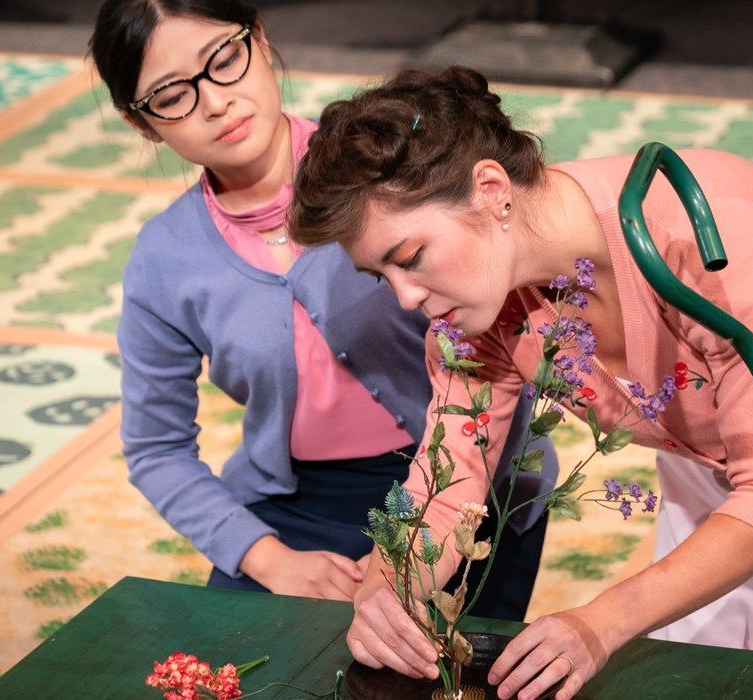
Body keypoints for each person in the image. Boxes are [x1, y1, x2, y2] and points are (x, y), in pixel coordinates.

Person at [289, 66, 753, 698]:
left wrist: (602, 621)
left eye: (411, 256)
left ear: (492, 191)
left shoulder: (706, 236)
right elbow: (450, 487)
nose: (406, 297)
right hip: (722, 481)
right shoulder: (470, 315)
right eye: (381, 275)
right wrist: (388, 585)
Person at [88, 3, 554, 618]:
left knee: (425, 664)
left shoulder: (391, 172)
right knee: (234, 664)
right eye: (172, 95)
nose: (215, 102)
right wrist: (266, 557)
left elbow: (511, 327)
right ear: (140, 122)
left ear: (260, 40)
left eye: (223, 60)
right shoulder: (164, 257)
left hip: (464, 475)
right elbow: (156, 449)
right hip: (291, 508)